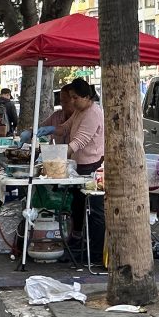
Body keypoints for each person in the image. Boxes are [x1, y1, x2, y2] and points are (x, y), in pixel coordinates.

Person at [55, 78, 105, 264]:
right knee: (77, 205)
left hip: (92, 167)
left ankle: (96, 252)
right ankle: (77, 242)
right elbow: (65, 128)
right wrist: (46, 130)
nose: (72, 102)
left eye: (75, 98)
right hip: (79, 166)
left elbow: (78, 142)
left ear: (86, 96)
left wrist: (57, 157)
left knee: (94, 210)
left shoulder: (93, 113)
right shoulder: (79, 111)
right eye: (70, 98)